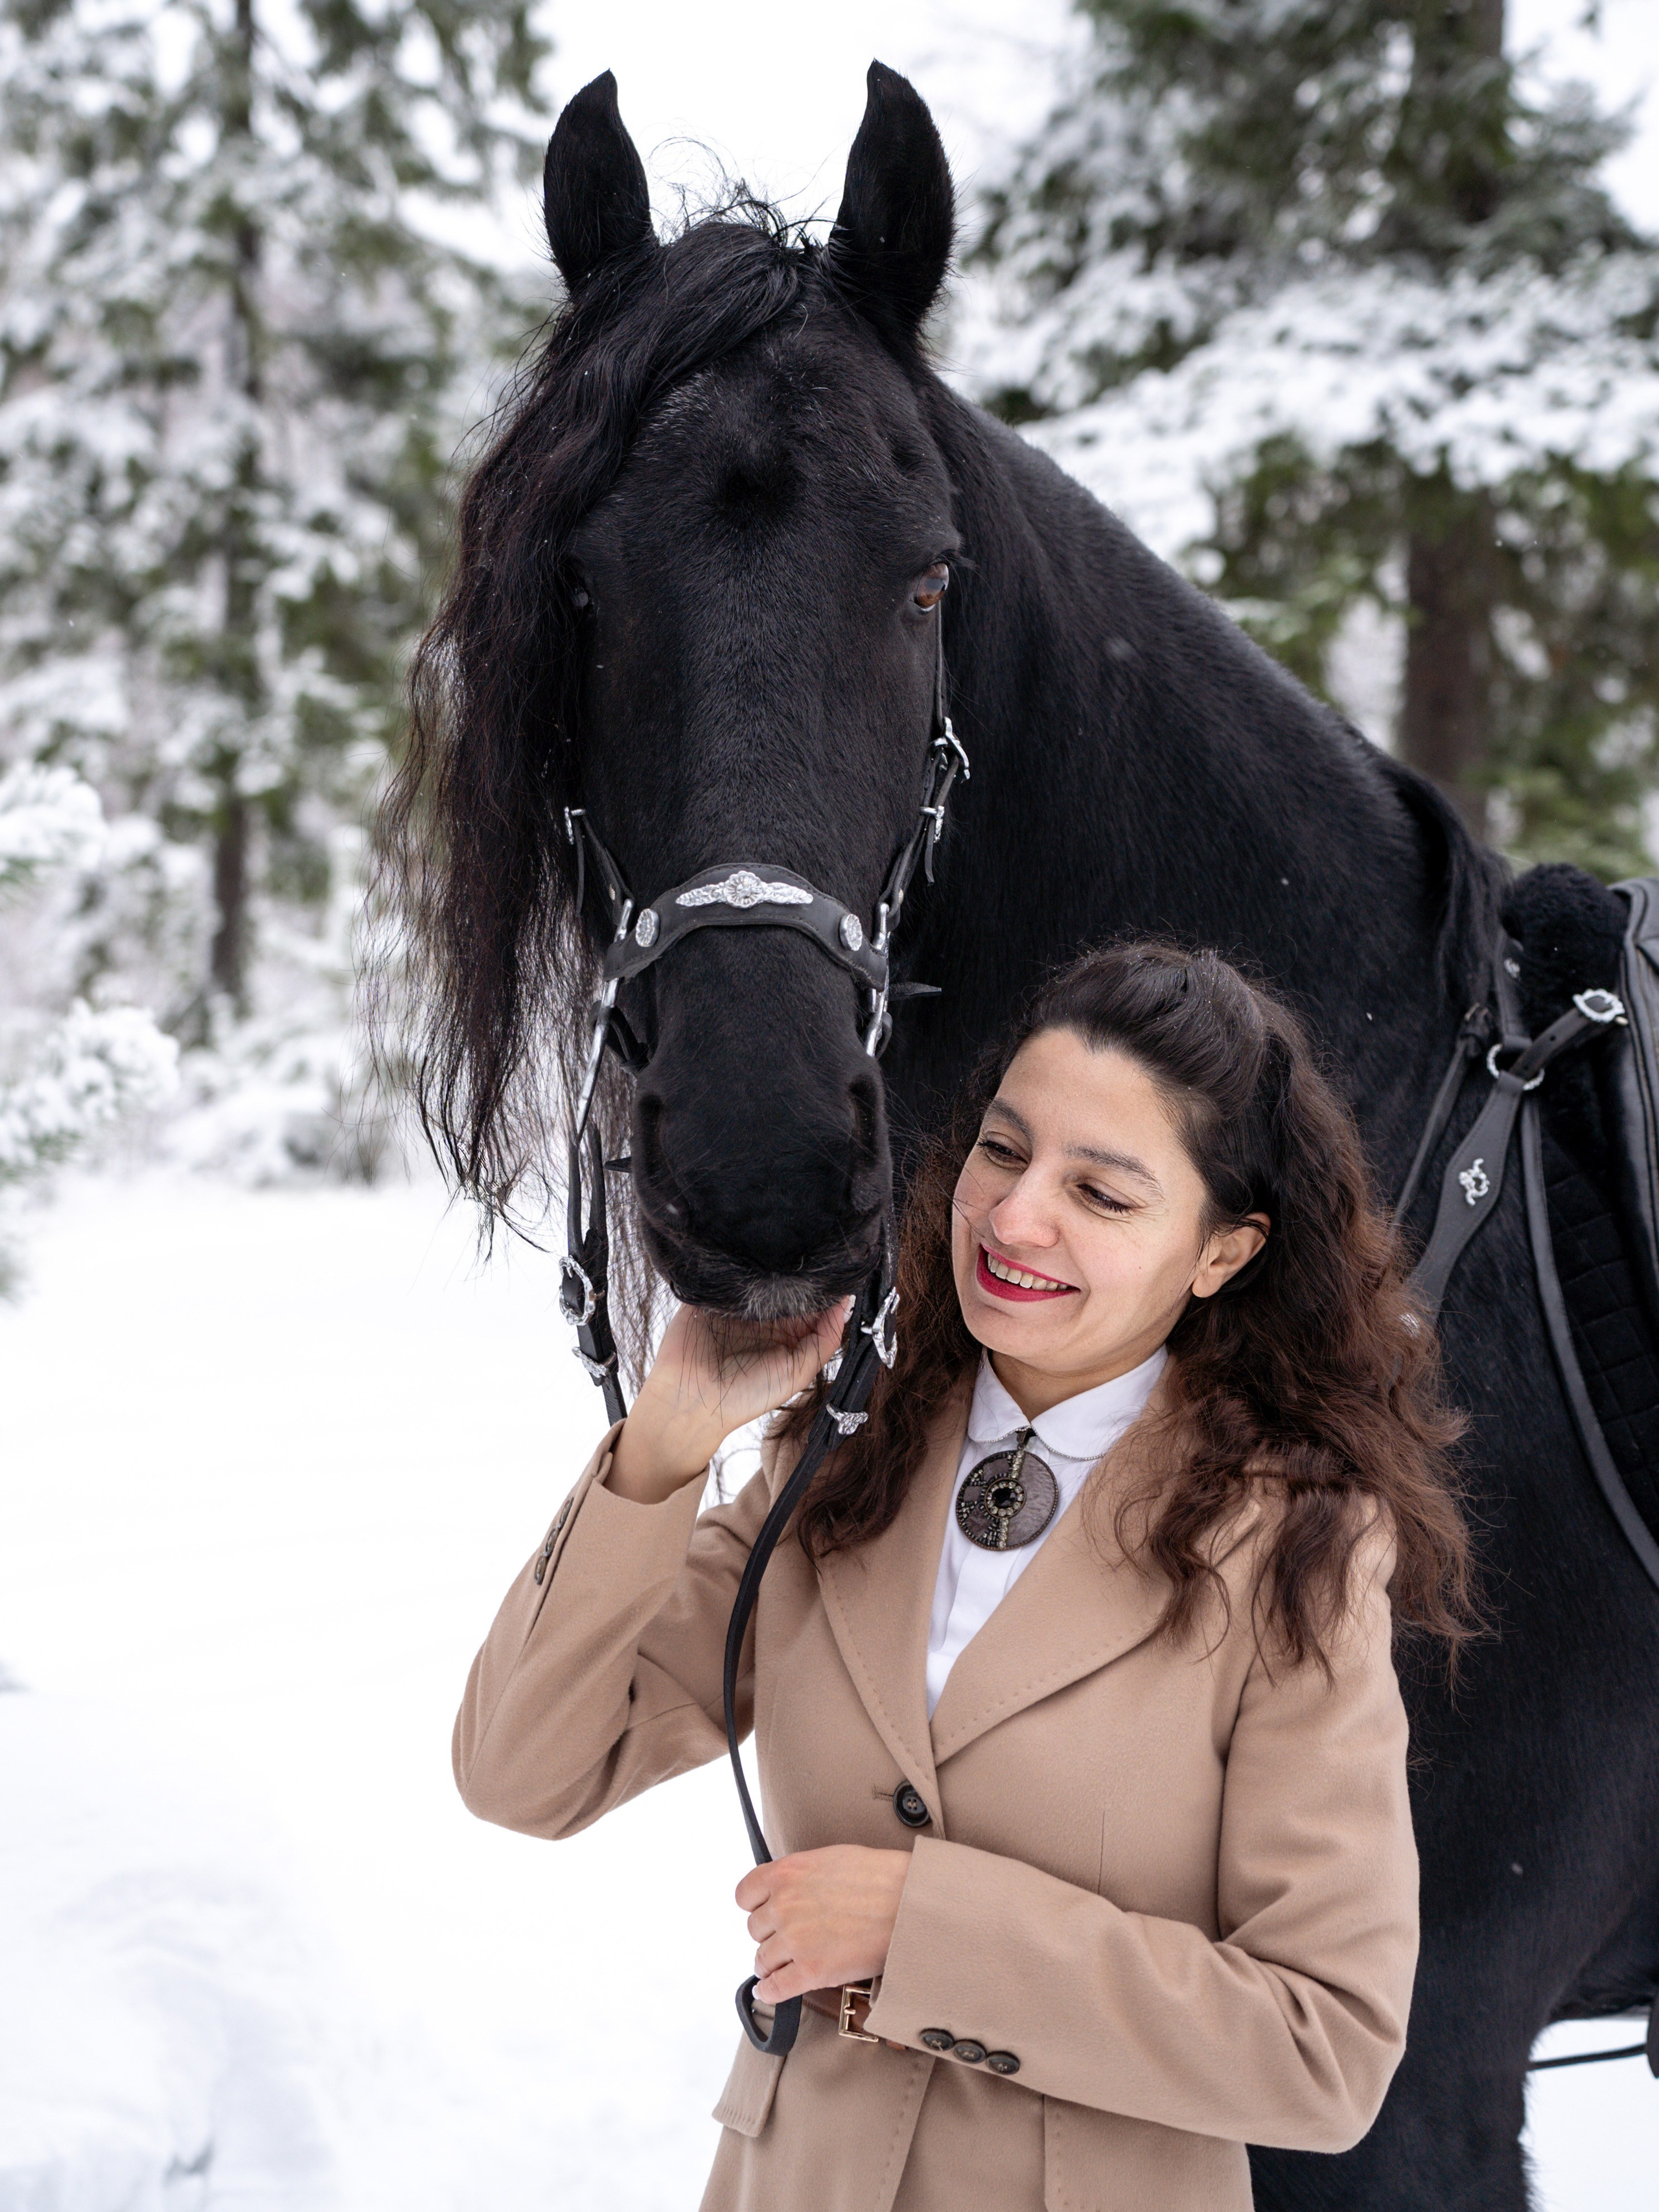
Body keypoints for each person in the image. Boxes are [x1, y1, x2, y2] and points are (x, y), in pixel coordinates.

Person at [453, 942, 1474, 2212]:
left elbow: (1323, 2051)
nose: (1013, 1217)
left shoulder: (1296, 1550)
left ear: (1220, 1251)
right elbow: (521, 1771)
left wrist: (922, 1935)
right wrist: (661, 1451)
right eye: (1003, 1150)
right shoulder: (839, 1458)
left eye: (1099, 1195)